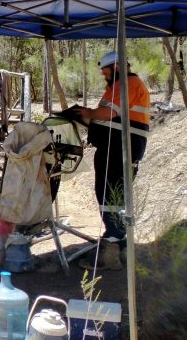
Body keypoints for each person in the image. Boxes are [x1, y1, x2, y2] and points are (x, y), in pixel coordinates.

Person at [73, 51, 150, 269]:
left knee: (111, 191)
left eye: (105, 72)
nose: (103, 76)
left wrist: (85, 112)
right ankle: (119, 243)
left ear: (116, 67)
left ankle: (113, 243)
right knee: (109, 190)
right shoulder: (118, 86)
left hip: (121, 148)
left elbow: (107, 114)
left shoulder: (127, 84)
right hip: (113, 147)